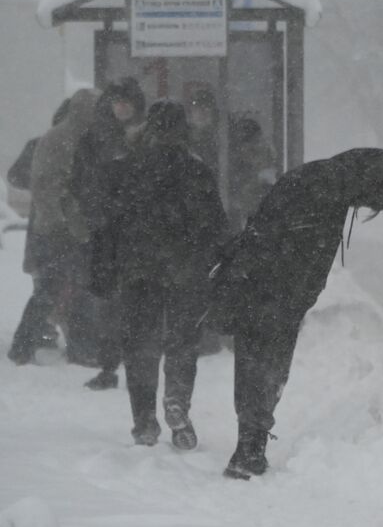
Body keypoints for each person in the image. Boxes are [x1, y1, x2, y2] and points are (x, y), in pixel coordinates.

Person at [206, 148, 383, 479]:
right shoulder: (322, 190)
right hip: (270, 292)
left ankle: (249, 447)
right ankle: (248, 451)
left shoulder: (324, 182)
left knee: (258, 368)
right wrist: (289, 295)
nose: (362, 208)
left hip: (267, 289)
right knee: (265, 369)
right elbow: (293, 249)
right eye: (369, 200)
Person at [103, 101, 226, 447]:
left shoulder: (127, 169)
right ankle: (177, 400)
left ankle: (144, 422)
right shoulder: (196, 170)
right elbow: (214, 224)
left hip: (138, 270)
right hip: (184, 270)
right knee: (182, 342)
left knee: (140, 345)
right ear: (182, 130)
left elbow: (110, 223)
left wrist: (112, 263)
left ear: (149, 128)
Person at [9, 90, 100, 366]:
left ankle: (28, 345)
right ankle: (33, 345)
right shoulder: (63, 139)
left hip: (62, 228)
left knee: (59, 288)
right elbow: (48, 186)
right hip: (60, 230)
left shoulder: (71, 137)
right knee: (57, 288)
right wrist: (63, 220)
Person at [71, 77, 147, 389]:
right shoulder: (96, 138)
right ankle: (110, 363)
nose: (122, 106)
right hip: (108, 232)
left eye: (127, 101)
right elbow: (80, 180)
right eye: (117, 100)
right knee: (110, 301)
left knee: (135, 301)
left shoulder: (146, 137)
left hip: (134, 232)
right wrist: (96, 212)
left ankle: (134, 362)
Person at [226, 115, 277, 232]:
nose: (249, 148)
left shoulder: (271, 171)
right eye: (243, 144)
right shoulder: (232, 176)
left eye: (255, 142)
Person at [187, 85, 220, 169]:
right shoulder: (184, 138)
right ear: (190, 111)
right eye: (197, 107)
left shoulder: (220, 139)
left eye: (206, 107)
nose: (202, 111)